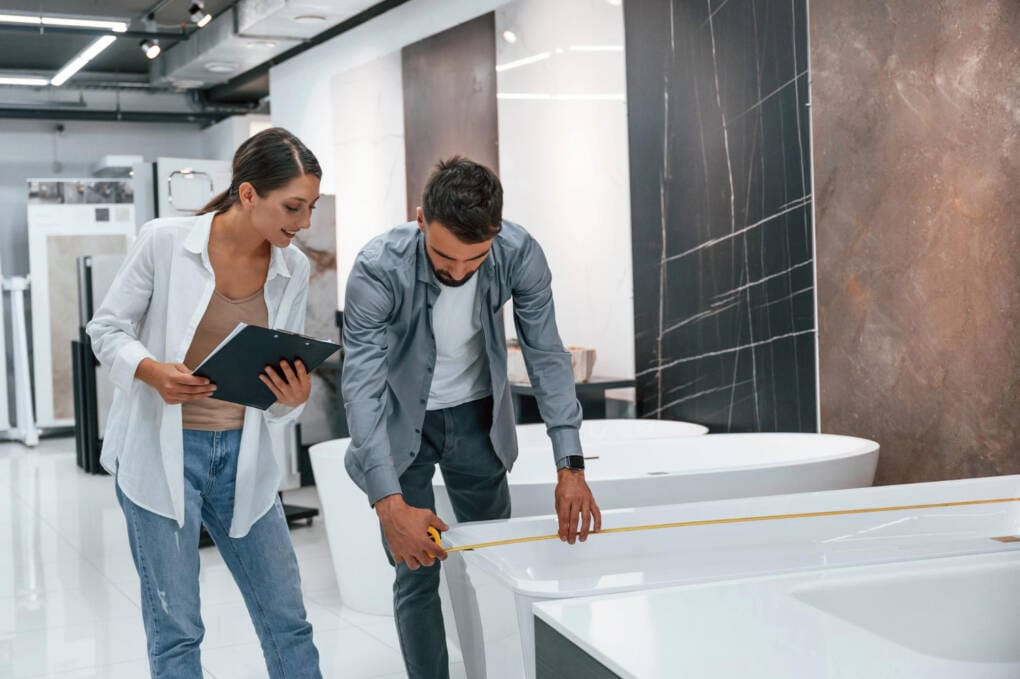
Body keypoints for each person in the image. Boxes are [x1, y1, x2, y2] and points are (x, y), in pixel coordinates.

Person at [342, 156, 601, 678]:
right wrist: (389, 504)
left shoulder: (518, 253)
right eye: (443, 256)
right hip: (401, 427)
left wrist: (570, 465)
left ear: (495, 234)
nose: (458, 271)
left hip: (477, 424)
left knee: (495, 564)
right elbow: (362, 387)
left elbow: (546, 353)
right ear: (420, 219)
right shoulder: (377, 268)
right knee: (415, 574)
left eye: (473, 259)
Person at [87, 127, 323, 678]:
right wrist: (149, 371)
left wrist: (294, 395)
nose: (305, 221)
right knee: (177, 630)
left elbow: (279, 382)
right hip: (161, 456)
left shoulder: (295, 269)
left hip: (244, 460)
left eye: (309, 207)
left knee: (287, 619)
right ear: (248, 195)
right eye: (293, 206)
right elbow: (107, 329)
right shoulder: (165, 241)